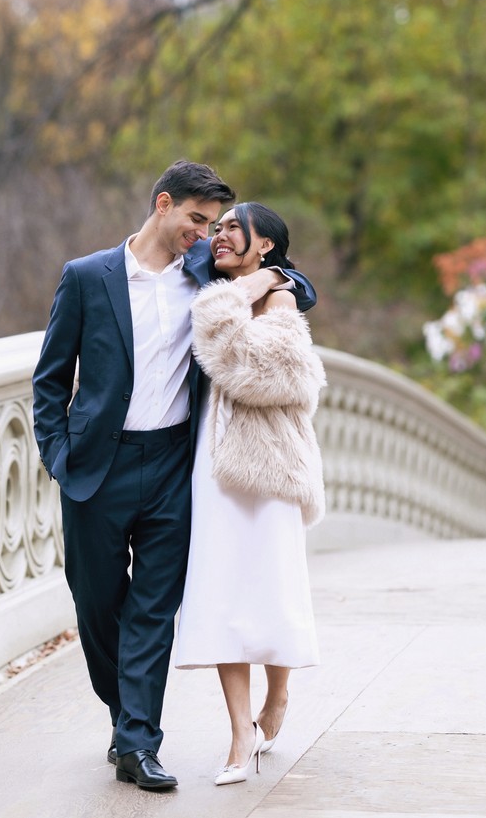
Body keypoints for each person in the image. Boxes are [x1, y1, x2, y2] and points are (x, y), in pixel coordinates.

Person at [32, 162, 316, 792]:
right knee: (98, 605)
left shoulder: (203, 277)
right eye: (196, 220)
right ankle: (123, 712)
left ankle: (139, 741)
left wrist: (272, 273)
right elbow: (50, 377)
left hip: (172, 467)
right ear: (162, 205)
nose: (205, 235)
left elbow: (295, 285)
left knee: (153, 610)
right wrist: (57, 452)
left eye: (213, 225)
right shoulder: (86, 278)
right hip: (95, 469)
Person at [174, 202, 325, 786]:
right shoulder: (227, 285)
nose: (220, 234)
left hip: (268, 469)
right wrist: (249, 283)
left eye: (234, 226)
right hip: (211, 468)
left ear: (265, 245)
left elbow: (260, 374)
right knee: (219, 594)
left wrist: (260, 285)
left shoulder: (281, 300)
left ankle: (279, 694)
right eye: (217, 227)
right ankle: (239, 733)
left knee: (273, 586)